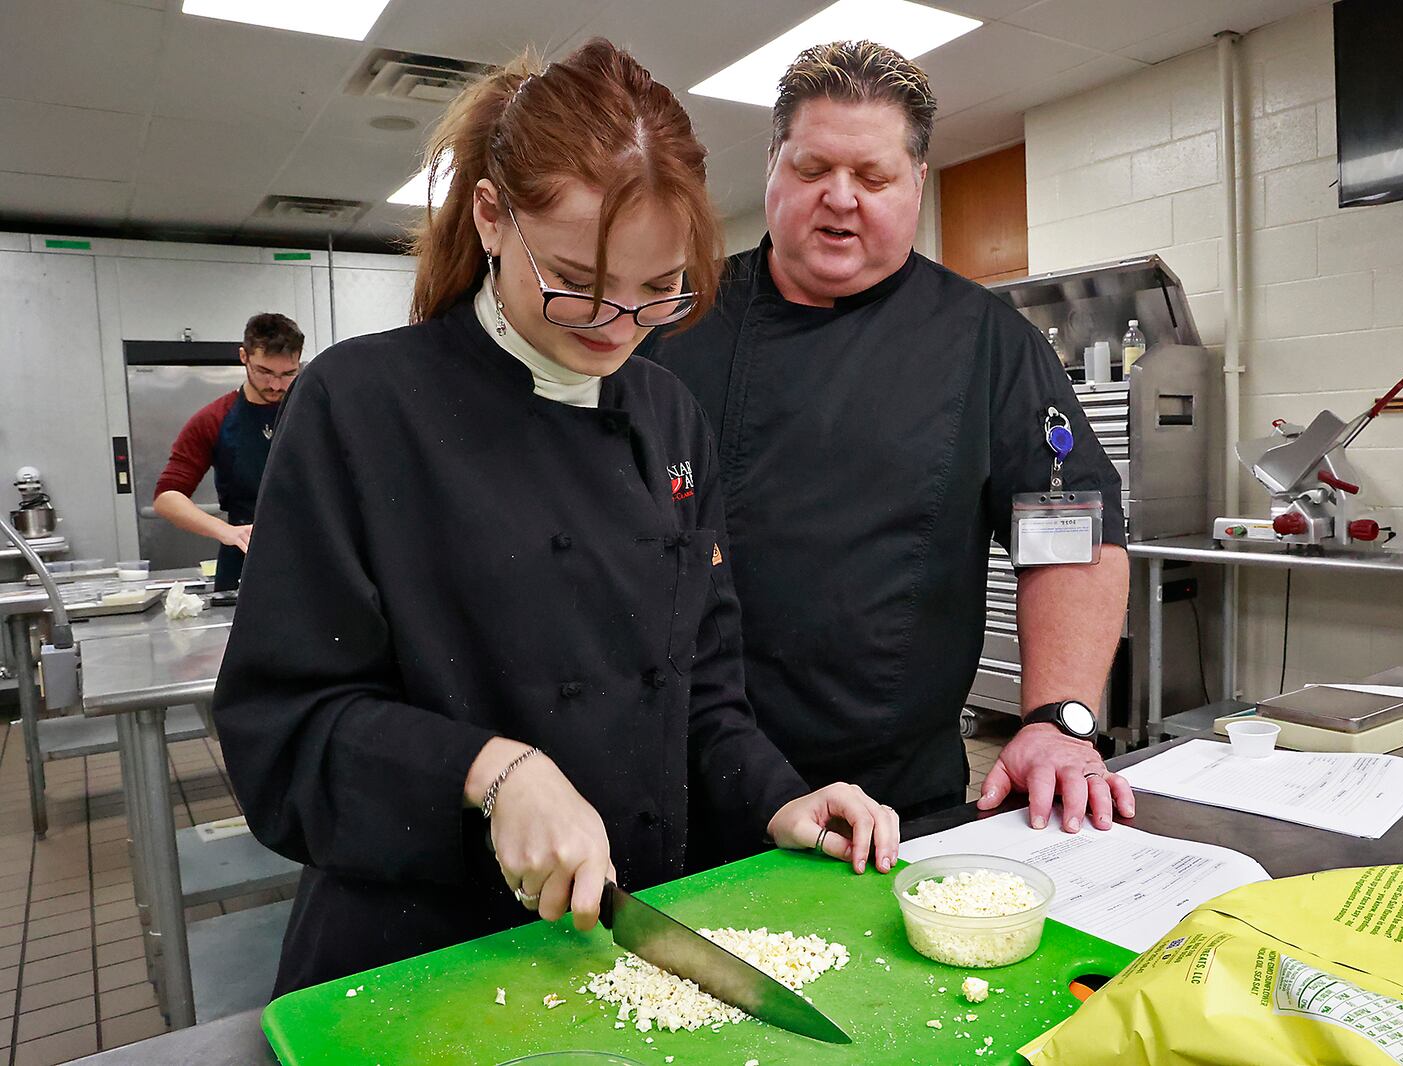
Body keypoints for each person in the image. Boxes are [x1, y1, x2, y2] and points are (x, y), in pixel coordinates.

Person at [212, 40, 899, 996]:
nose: (617, 324)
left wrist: (781, 799)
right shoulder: (361, 407)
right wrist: (491, 771)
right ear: (493, 218)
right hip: (416, 965)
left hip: (625, 951)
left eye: (658, 290)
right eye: (578, 281)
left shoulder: (670, 418)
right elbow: (281, 735)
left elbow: (702, 695)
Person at [641, 41, 1135, 841]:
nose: (840, 199)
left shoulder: (986, 343)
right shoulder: (673, 322)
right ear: (771, 164)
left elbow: (1070, 532)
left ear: (916, 184)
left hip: (895, 802)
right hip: (681, 785)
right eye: (811, 170)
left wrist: (1056, 718)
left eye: (872, 178)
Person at [152, 312, 303, 591]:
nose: (276, 385)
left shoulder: (314, 413)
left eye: (288, 374)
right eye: (265, 372)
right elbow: (167, 497)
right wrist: (227, 532)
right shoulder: (214, 419)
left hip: (311, 555)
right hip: (244, 559)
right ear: (244, 356)